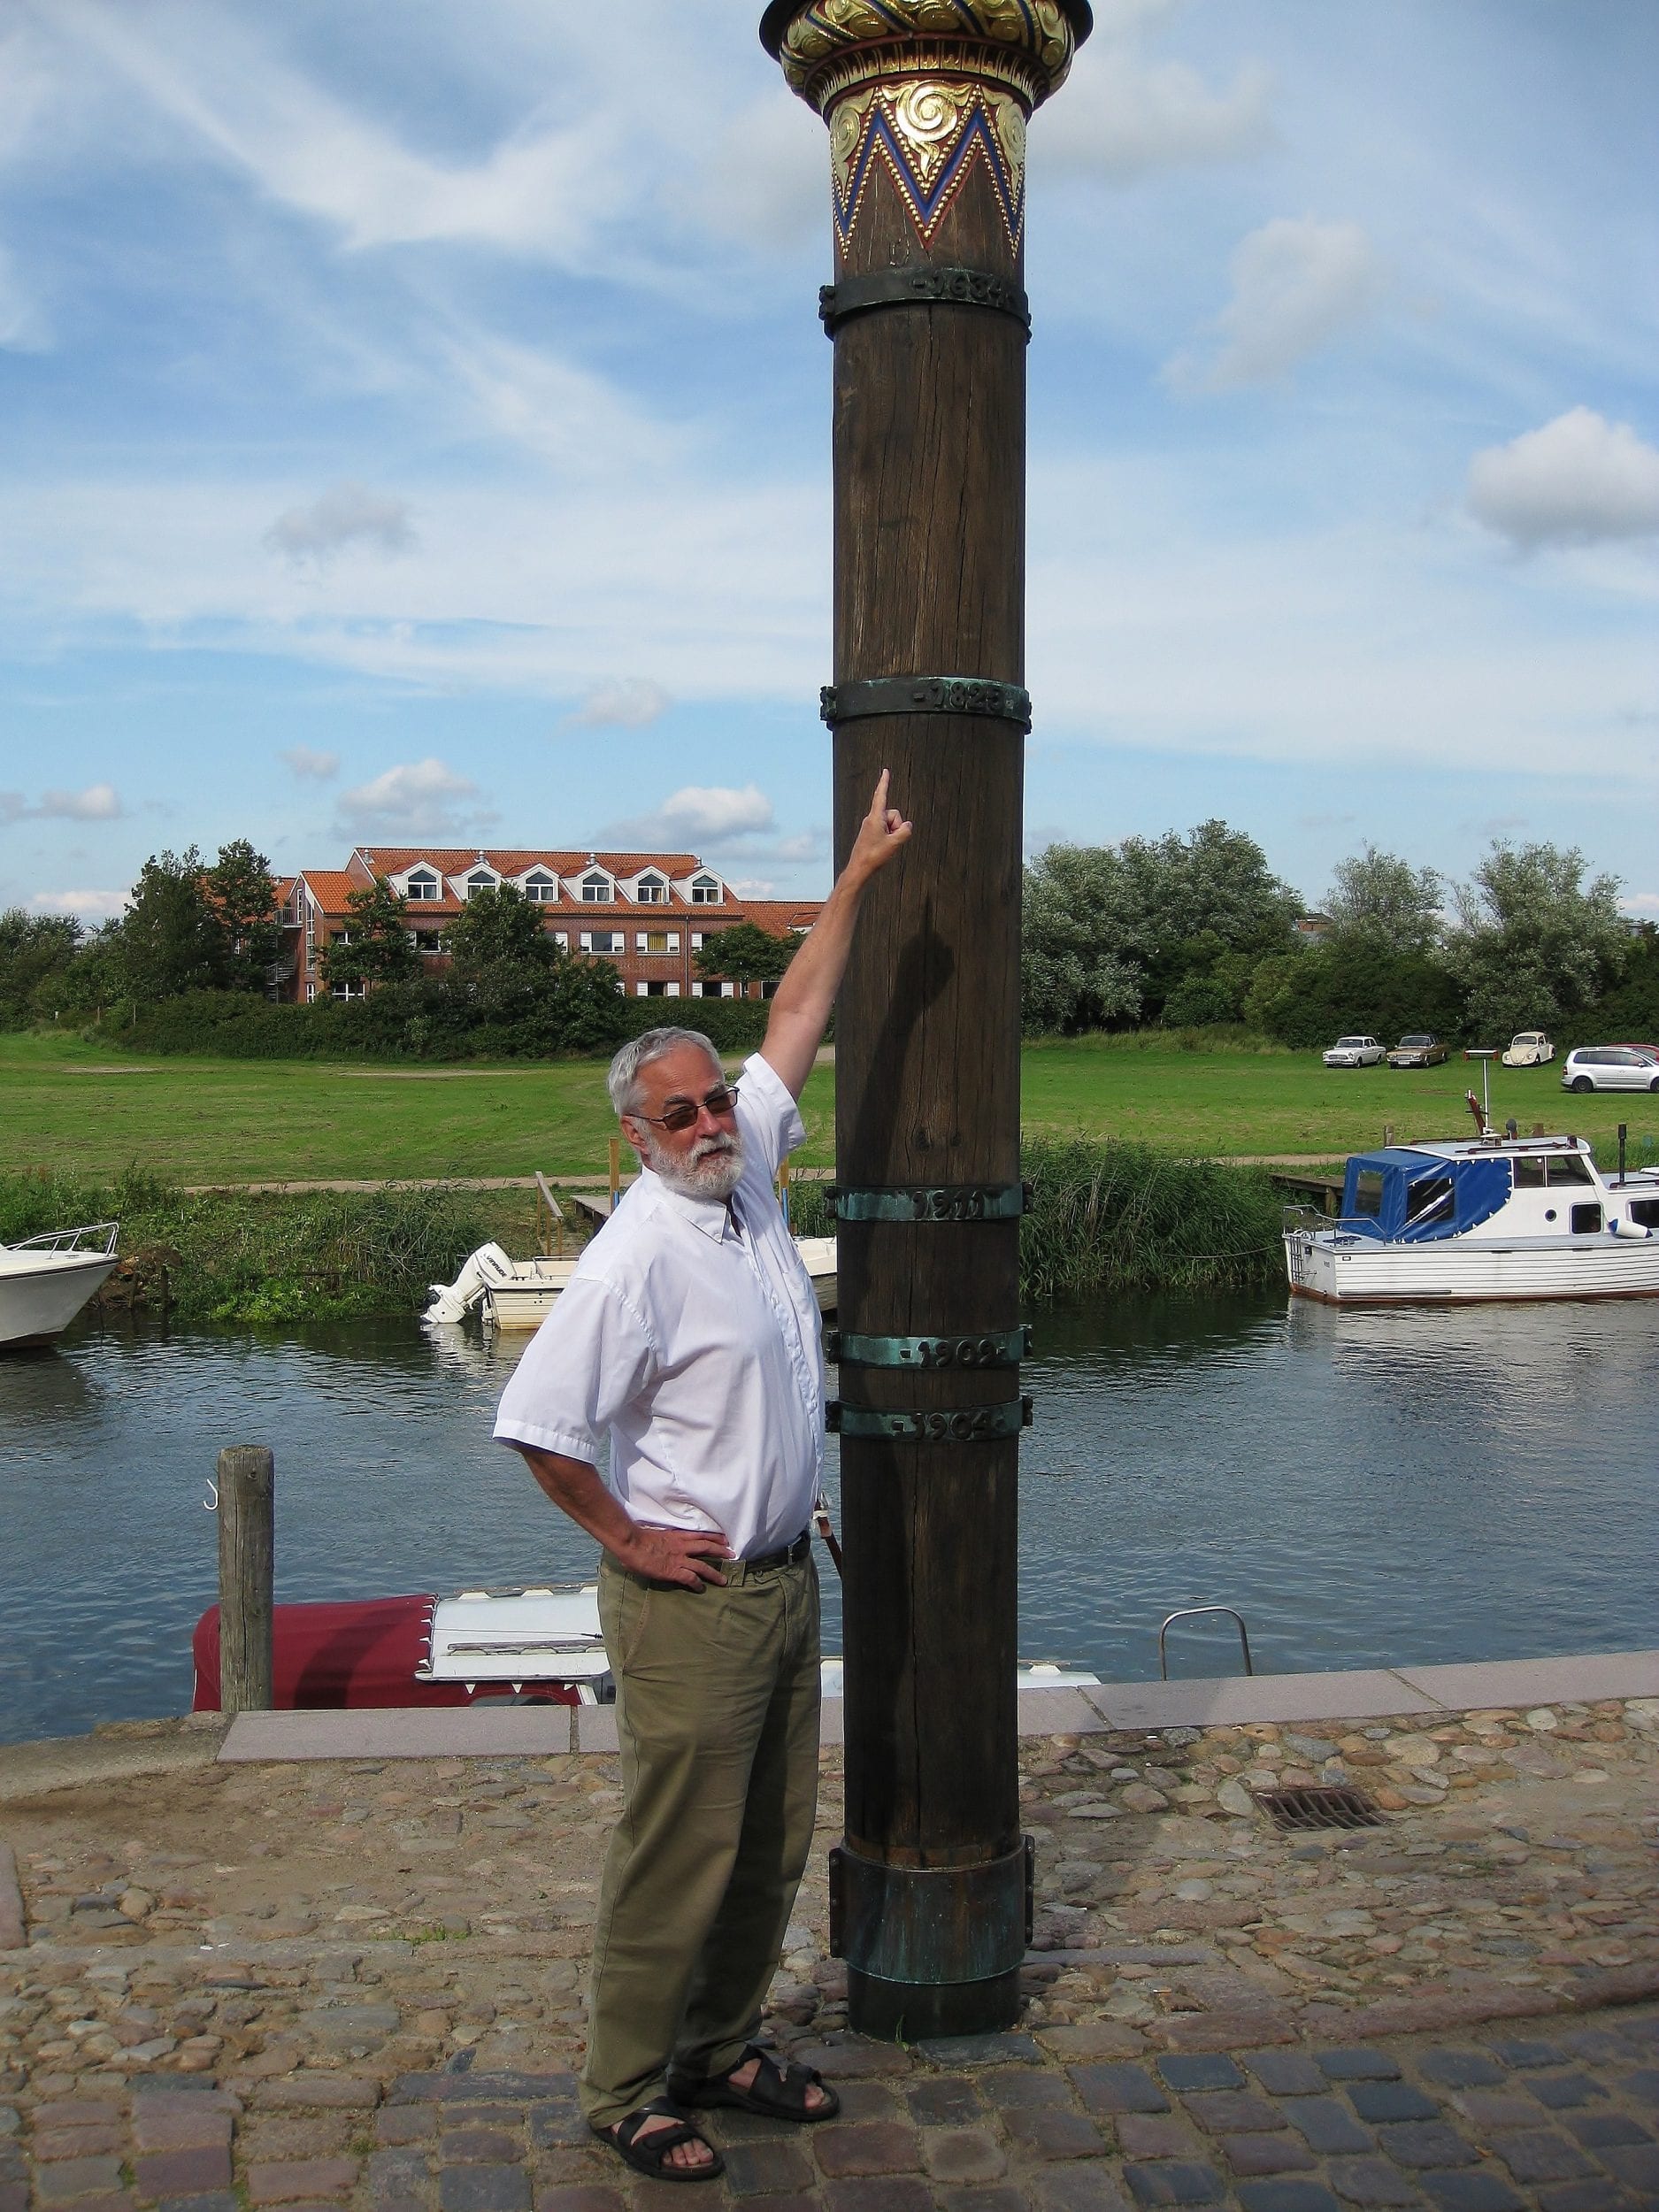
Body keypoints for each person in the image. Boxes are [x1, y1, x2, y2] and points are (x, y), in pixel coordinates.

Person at [493, 772, 912, 2184]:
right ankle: (626, 2090)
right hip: (698, 1598)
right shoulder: (635, 1259)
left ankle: (720, 2049)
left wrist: (852, 874)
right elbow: (542, 1425)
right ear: (637, 1136)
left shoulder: (753, 1180)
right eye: (674, 1116)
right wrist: (625, 1539)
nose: (704, 1123)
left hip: (786, 1583)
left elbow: (798, 1013)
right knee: (677, 1851)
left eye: (709, 1099)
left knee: (768, 1846)